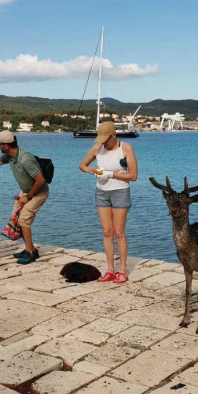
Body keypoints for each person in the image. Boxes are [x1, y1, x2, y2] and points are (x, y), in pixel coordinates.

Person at [78, 121, 138, 284]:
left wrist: (110, 174)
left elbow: (133, 176)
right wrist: (91, 170)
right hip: (101, 192)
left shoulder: (125, 148)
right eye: (101, 139)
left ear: (114, 135)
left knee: (119, 232)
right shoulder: (98, 147)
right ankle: (110, 270)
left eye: (106, 139)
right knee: (106, 232)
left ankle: (123, 270)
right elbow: (82, 165)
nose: (103, 142)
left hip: (120, 192)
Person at [0, 131, 49, 265]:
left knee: (23, 219)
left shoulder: (25, 159)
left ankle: (30, 253)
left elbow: (40, 181)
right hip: (25, 191)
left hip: (38, 192)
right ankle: (30, 248)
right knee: (16, 219)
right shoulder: (9, 156)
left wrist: (28, 197)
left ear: (6, 146)